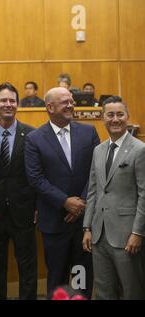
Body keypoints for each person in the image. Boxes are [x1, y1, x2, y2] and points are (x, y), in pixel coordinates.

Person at [25, 87, 100, 299]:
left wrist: (81, 204)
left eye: (72, 101)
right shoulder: (34, 138)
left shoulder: (89, 132)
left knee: (81, 277)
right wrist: (65, 202)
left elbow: (96, 171)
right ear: (50, 107)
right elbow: (35, 178)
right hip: (54, 222)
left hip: (83, 223)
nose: (71, 105)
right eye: (65, 102)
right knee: (57, 279)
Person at [82, 96, 145, 299]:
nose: (115, 119)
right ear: (103, 118)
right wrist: (87, 228)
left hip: (127, 236)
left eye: (120, 114)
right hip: (99, 236)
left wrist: (138, 232)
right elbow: (93, 191)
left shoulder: (140, 149)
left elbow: (144, 194)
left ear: (127, 117)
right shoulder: (98, 150)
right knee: (103, 292)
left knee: (131, 291)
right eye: (110, 114)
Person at [0, 82, 37, 300]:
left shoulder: (32, 135)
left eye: (12, 101)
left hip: (23, 211)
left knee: (27, 267)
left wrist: (36, 206)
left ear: (17, 104)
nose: (8, 104)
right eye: (3, 100)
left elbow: (37, 175)